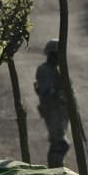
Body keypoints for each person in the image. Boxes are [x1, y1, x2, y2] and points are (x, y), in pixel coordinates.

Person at [35, 38, 71, 168]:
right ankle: (54, 170)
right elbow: (47, 93)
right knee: (59, 143)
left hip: (60, 112)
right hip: (52, 111)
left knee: (60, 143)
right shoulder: (45, 70)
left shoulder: (57, 69)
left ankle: (57, 168)